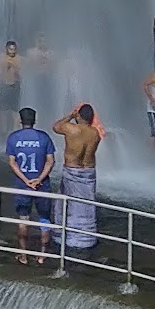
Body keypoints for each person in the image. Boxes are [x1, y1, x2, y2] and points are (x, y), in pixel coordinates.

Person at [6, 108, 56, 265]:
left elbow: (12, 162)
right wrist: (39, 178)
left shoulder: (13, 138)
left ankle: (23, 255)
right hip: (42, 185)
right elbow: (50, 161)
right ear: (34, 120)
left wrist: (26, 180)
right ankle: (42, 255)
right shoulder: (44, 137)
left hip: (23, 185)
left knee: (23, 219)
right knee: (45, 220)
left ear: (21, 121)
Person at [52, 104, 103, 250]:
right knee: (86, 203)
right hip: (88, 171)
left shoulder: (71, 129)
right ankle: (85, 235)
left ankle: (66, 235)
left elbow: (56, 126)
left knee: (68, 202)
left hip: (72, 169)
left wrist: (70, 115)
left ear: (79, 116)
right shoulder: (95, 133)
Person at [0, 40, 23, 133]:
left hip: (15, 85)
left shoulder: (19, 59)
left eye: (14, 49)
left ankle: (15, 130)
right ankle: (3, 131)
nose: (12, 51)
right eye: (10, 49)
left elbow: (22, 72)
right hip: (4, 85)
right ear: (6, 49)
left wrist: (14, 67)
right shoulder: (1, 58)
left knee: (15, 110)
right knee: (3, 110)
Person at [25, 32, 54, 101]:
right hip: (36, 78)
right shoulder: (31, 52)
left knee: (47, 100)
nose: (43, 43)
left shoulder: (51, 53)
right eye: (40, 41)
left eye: (44, 41)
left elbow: (54, 67)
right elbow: (27, 67)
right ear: (37, 42)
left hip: (48, 79)